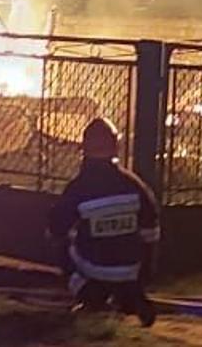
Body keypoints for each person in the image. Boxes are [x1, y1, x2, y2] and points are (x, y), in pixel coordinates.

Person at [46, 118, 159, 327]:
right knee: (130, 262)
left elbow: (56, 229)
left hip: (93, 270)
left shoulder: (79, 188)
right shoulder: (135, 185)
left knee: (63, 245)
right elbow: (151, 230)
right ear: (117, 147)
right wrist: (142, 270)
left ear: (84, 147)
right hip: (131, 270)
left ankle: (87, 293)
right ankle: (131, 296)